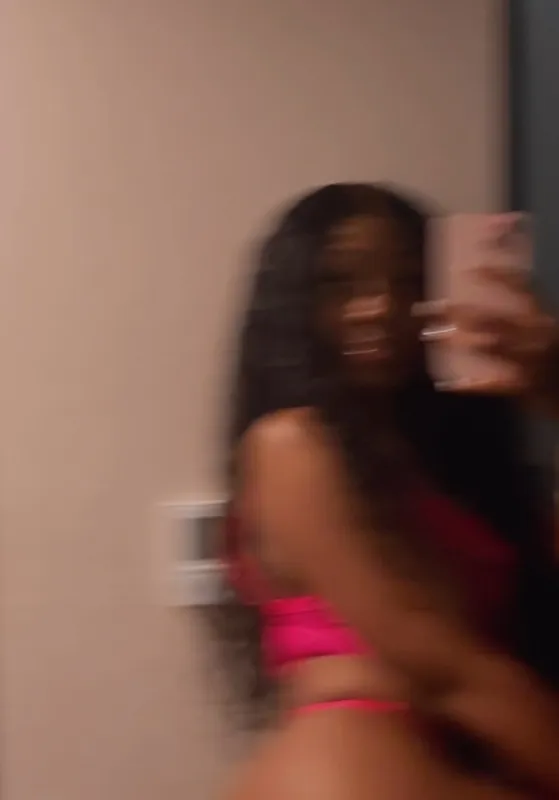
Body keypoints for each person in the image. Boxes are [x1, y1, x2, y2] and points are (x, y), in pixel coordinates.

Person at [208, 183, 559, 799]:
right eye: (340, 283)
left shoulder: (452, 463)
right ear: (294, 305)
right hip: (352, 764)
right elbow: (439, 665)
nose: (381, 305)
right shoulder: (292, 444)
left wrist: (553, 395)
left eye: (408, 279)